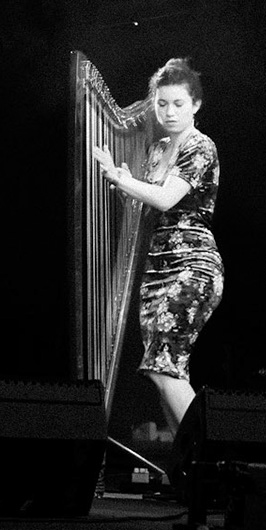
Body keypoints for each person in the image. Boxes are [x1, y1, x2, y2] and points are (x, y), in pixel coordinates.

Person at [90, 57, 223, 436]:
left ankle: (211, 451)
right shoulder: (157, 149)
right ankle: (191, 465)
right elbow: (142, 207)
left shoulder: (200, 147)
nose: (169, 112)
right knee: (164, 369)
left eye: (178, 104)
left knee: (163, 367)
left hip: (191, 266)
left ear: (195, 104)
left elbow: (165, 199)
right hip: (157, 271)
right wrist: (123, 181)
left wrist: (121, 178)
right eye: (162, 104)